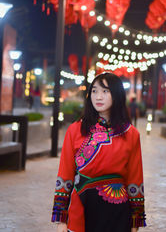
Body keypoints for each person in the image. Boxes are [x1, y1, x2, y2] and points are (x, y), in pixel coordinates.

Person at [51, 72, 146, 232]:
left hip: (118, 212)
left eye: (105, 91)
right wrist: (61, 219)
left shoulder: (131, 134)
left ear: (116, 95)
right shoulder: (76, 130)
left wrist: (135, 221)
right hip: (81, 208)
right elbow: (65, 175)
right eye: (94, 91)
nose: (98, 97)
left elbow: (135, 179)